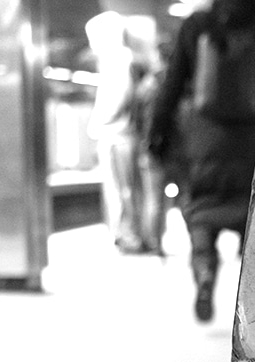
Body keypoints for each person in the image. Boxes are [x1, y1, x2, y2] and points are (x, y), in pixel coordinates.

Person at [147, 0, 255, 323]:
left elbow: (171, 85)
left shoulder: (197, 26)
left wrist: (158, 134)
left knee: (201, 213)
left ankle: (206, 271)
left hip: (205, 142)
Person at [86, 11, 163, 255]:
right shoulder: (126, 60)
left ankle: (128, 235)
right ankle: (132, 234)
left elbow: (119, 97)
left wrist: (96, 123)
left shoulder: (118, 59)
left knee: (121, 190)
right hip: (124, 135)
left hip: (117, 135)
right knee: (129, 189)